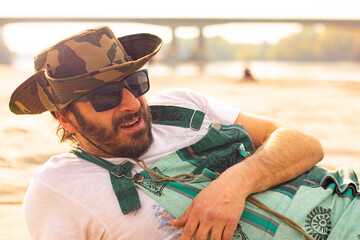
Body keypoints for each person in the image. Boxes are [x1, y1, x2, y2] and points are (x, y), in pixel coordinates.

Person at [9, 26, 325, 239]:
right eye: (105, 97)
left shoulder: (183, 105)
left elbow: (304, 143)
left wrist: (236, 182)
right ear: (65, 118)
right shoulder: (56, 189)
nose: (132, 103)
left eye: (135, 83)